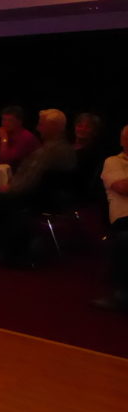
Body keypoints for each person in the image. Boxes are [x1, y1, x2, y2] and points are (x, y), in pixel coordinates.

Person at [0, 109, 77, 263]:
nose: (38, 128)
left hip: (33, 199)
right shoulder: (66, 148)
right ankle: (0, 245)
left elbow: (27, 179)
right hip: (50, 197)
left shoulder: (46, 150)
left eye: (41, 125)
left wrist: (10, 188)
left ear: (54, 127)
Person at [95, 125, 128, 310]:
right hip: (124, 218)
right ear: (123, 141)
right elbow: (122, 187)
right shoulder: (113, 162)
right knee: (124, 239)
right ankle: (121, 295)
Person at [0, 105, 40, 171]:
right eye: (4, 120)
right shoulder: (5, 133)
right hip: (6, 172)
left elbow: (5, 162)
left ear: (19, 122)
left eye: (10, 120)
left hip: (21, 173)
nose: (5, 123)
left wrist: (4, 139)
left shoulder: (26, 137)